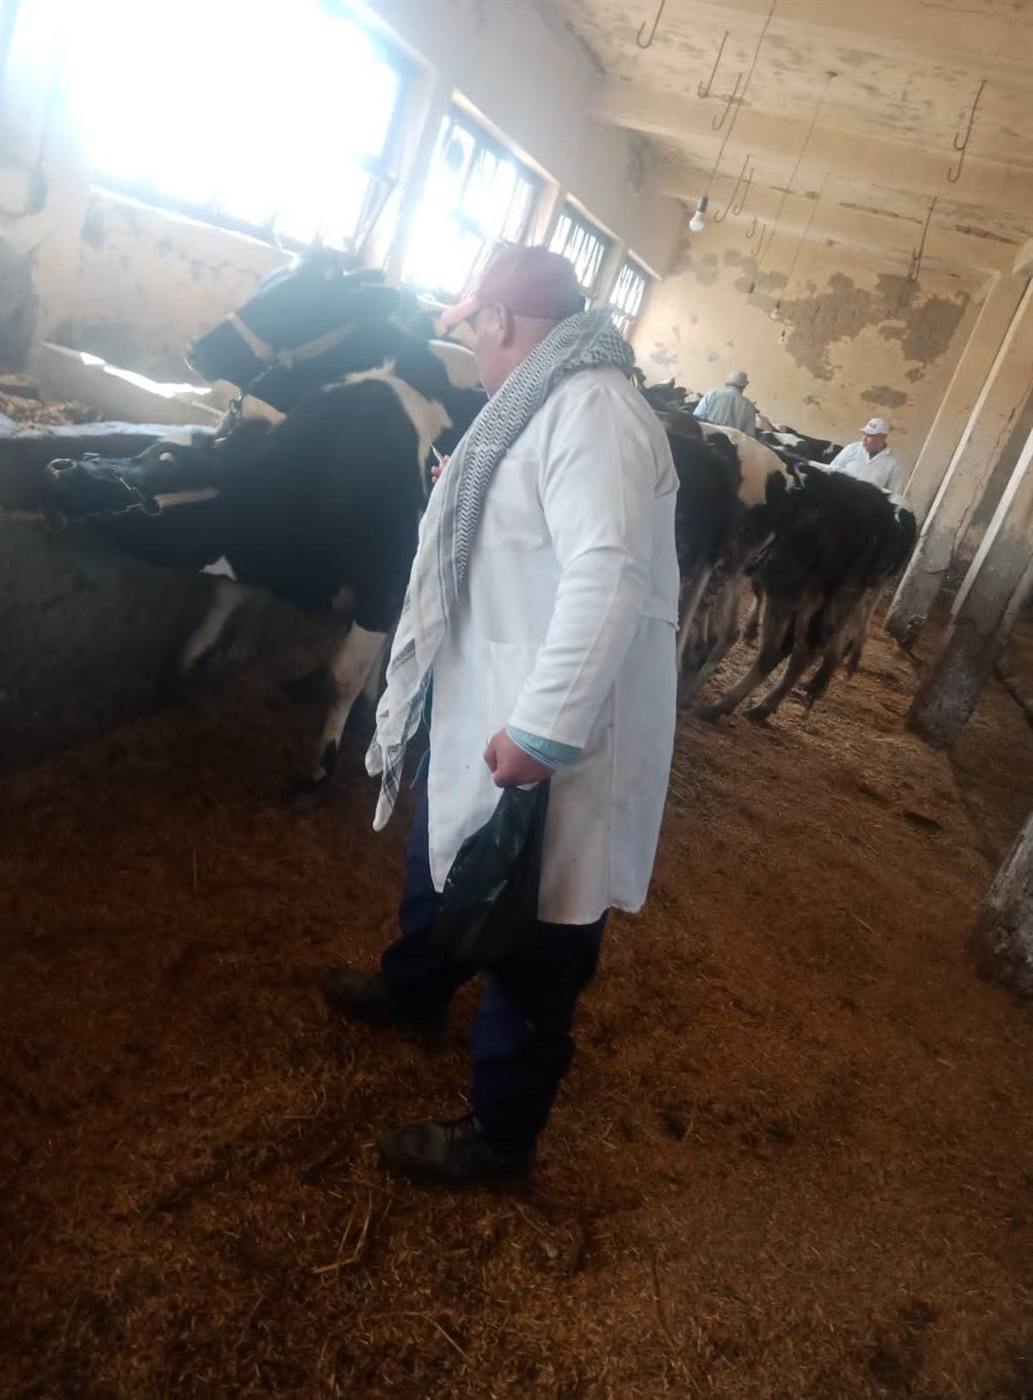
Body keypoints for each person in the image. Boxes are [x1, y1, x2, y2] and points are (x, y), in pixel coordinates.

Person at [324, 246, 680, 1187]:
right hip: (483, 697)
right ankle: (414, 990)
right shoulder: (535, 403)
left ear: (504, 323)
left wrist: (542, 729)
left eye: (473, 325)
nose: (472, 344)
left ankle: (500, 1133)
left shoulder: (594, 410)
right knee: (445, 857)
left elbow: (607, 571)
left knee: (536, 932)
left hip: (551, 730)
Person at [827, 417, 905, 498]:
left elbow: (894, 495)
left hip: (867, 504)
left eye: (870, 435)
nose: (864, 438)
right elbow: (831, 470)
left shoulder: (893, 464)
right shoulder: (852, 448)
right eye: (864, 434)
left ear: (883, 438)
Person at [692, 369, 758, 437]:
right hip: (731, 442)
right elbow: (749, 434)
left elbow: (697, 417)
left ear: (726, 384)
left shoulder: (712, 394)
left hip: (706, 438)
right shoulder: (749, 406)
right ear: (744, 387)